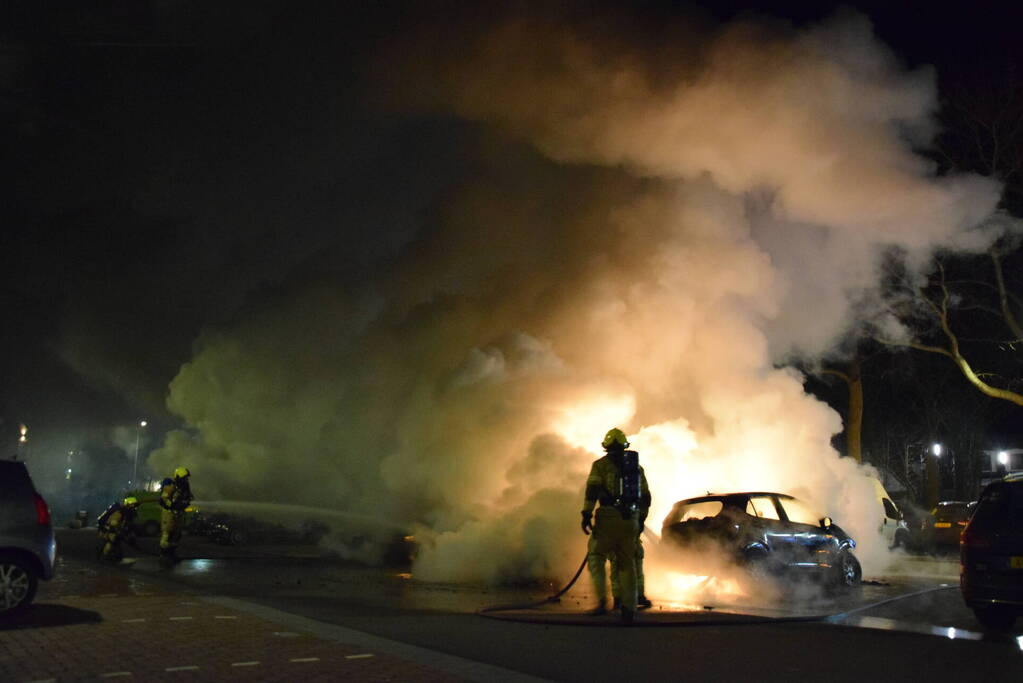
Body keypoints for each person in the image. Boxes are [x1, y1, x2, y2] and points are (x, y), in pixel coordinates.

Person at [580, 428, 651, 624]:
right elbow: (646, 497)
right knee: (627, 563)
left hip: (608, 518)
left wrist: (586, 514)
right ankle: (629, 609)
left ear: (607, 447)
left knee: (596, 556)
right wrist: (640, 520)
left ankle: (602, 601)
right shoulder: (636, 469)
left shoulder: (600, 466)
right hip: (631, 519)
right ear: (624, 445)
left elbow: (592, 491)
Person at [159, 466, 193, 567]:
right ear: (178, 477)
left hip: (179, 514)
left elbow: (189, 497)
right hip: (169, 514)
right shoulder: (170, 487)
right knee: (167, 534)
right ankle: (163, 555)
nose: (185, 480)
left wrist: (185, 503)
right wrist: (174, 505)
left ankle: (171, 554)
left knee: (176, 535)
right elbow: (163, 500)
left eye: (186, 478)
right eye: (184, 478)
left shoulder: (185, 488)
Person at [96, 496, 140, 563]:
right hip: (108, 529)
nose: (135, 509)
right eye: (134, 506)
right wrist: (118, 531)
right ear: (130, 505)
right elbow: (114, 523)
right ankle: (104, 556)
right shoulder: (119, 513)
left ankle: (111, 556)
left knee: (115, 542)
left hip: (110, 528)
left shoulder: (124, 513)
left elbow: (125, 524)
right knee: (111, 541)